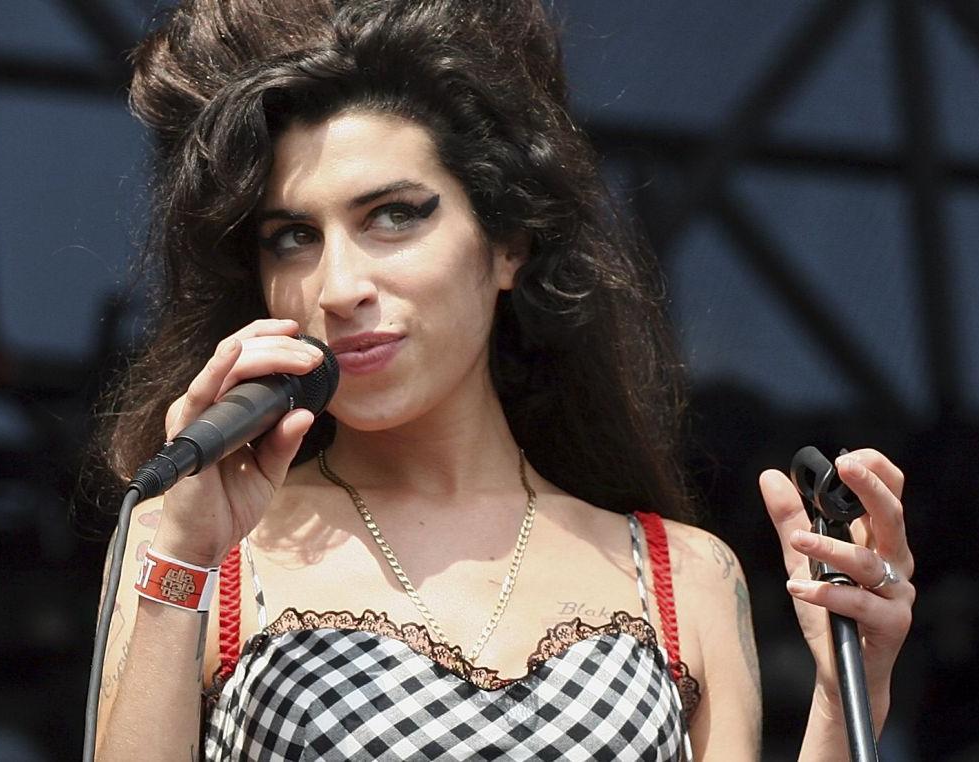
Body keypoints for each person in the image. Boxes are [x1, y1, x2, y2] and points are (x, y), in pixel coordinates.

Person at [91, 1, 916, 759]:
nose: (337, 287)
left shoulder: (684, 575)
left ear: (508, 243)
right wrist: (182, 565)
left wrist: (847, 695)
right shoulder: (196, 544)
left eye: (393, 216)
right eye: (293, 238)